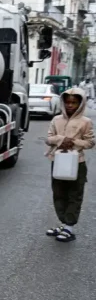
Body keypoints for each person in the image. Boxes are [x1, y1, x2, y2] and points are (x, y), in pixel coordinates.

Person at [45, 87, 94, 242]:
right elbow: (49, 138)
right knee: (59, 193)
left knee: (74, 194)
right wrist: (61, 140)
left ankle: (69, 227)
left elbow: (90, 142)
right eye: (67, 102)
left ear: (80, 104)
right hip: (58, 161)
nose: (70, 105)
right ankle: (64, 224)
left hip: (77, 163)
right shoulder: (56, 120)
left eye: (74, 103)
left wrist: (73, 142)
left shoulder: (86, 122)